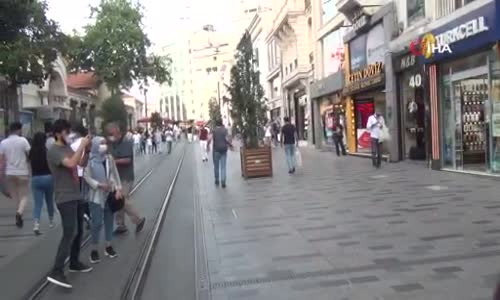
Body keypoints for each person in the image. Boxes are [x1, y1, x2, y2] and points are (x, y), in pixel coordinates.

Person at [46, 119, 92, 289]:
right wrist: (81, 145)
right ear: (58, 133)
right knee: (69, 233)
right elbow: (71, 163)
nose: (69, 135)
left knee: (79, 231)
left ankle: (74, 262)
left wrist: (87, 150)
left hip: (75, 194)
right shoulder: (54, 151)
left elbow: (80, 163)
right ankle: (57, 270)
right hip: (64, 197)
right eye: (66, 132)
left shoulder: (66, 148)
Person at [84, 137, 121, 263]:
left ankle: (108, 246)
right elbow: (86, 176)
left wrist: (118, 189)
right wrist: (99, 185)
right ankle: (94, 249)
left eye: (105, 143)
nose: (104, 146)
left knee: (109, 220)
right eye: (101, 143)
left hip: (109, 195)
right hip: (96, 197)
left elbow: (115, 174)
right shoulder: (89, 160)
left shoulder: (109, 159)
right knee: (97, 223)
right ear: (95, 145)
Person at [106, 122, 145, 235]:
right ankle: (120, 225)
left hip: (125, 177)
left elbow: (127, 159)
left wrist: (113, 161)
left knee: (121, 199)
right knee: (119, 199)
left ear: (117, 132)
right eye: (108, 134)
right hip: (116, 177)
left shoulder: (126, 142)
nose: (110, 136)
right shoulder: (111, 143)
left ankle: (138, 219)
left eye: (111, 133)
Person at [0, 122, 31, 227]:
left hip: (9, 172)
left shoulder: (3, 143)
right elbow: (28, 155)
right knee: (24, 195)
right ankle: (19, 213)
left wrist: (2, 174)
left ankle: (19, 215)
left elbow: (2, 161)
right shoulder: (23, 141)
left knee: (15, 196)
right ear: (19, 129)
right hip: (22, 172)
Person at [29, 132, 55, 235]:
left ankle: (36, 224)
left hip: (36, 178)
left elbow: (30, 165)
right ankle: (51, 221)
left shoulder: (31, 152)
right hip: (48, 177)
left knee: (38, 204)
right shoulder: (46, 151)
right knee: (49, 201)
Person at [70, 123, 91, 226]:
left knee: (79, 196)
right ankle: (88, 214)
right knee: (86, 195)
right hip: (87, 173)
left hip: (77, 173)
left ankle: (84, 215)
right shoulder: (88, 142)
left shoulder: (73, 144)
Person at [208, 120, 232, 188]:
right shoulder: (225, 130)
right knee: (223, 167)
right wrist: (230, 145)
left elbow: (209, 139)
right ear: (222, 124)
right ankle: (223, 182)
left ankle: (217, 180)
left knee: (216, 166)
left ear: (216, 124)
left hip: (216, 150)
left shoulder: (214, 130)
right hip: (224, 150)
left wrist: (207, 146)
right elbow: (227, 139)